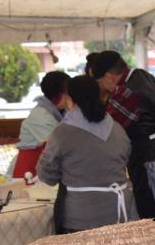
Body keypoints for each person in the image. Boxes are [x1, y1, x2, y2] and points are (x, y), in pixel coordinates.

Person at [91, 50, 155, 233]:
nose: (102, 89)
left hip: (154, 166)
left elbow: (108, 133)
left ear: (109, 76)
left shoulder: (124, 92)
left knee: (153, 230)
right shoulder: (143, 75)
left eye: (99, 83)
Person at [37, 76, 138, 232]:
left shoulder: (63, 132)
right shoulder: (117, 128)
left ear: (70, 100)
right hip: (119, 213)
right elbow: (126, 157)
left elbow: (47, 175)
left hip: (80, 218)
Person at [11, 71, 70, 178]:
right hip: (28, 167)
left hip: (41, 166)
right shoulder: (41, 115)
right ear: (58, 95)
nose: (70, 97)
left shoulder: (58, 112)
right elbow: (60, 145)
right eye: (67, 93)